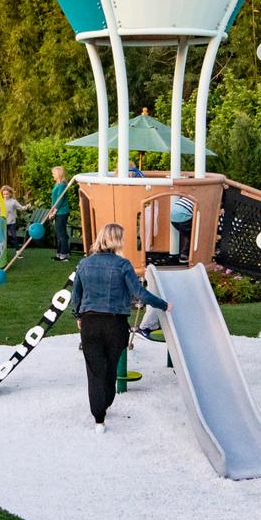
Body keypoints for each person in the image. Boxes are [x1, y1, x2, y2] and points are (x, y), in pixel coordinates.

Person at [71, 223, 169, 433]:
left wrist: (78, 315)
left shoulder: (84, 264)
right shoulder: (123, 265)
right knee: (110, 368)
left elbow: (76, 295)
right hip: (115, 324)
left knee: (94, 370)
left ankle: (99, 418)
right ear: (117, 240)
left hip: (90, 322)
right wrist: (164, 305)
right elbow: (140, 294)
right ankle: (105, 403)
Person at [49, 165, 74, 262]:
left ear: (58, 174)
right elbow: (54, 200)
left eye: (53, 173)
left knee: (61, 233)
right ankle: (59, 254)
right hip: (58, 212)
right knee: (58, 233)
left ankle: (64, 255)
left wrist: (54, 212)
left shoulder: (63, 185)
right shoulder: (57, 185)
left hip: (62, 212)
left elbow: (59, 200)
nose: (52, 175)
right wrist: (51, 211)